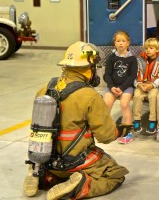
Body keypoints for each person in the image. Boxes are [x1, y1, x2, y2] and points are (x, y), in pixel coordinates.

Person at [23, 41, 129, 200]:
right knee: (115, 174)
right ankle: (80, 185)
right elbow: (105, 136)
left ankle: (42, 176)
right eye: (94, 67)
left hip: (46, 160)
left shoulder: (45, 88)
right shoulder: (90, 96)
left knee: (56, 170)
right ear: (88, 69)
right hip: (75, 162)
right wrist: (121, 129)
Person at [103, 30, 138, 144]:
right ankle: (105, 128)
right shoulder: (111, 58)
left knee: (124, 104)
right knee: (106, 103)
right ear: (115, 43)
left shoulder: (132, 59)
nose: (121, 43)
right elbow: (107, 74)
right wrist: (112, 87)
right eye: (118, 41)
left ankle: (128, 131)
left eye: (123, 41)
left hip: (126, 87)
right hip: (113, 86)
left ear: (128, 43)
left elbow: (132, 76)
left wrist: (122, 88)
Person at [133, 38, 159, 134]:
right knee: (137, 96)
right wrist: (138, 84)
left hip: (153, 85)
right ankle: (136, 120)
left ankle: (152, 121)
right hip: (141, 84)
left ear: (157, 50)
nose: (148, 50)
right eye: (146, 48)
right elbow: (134, 74)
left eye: (151, 48)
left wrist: (153, 85)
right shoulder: (139, 59)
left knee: (153, 96)